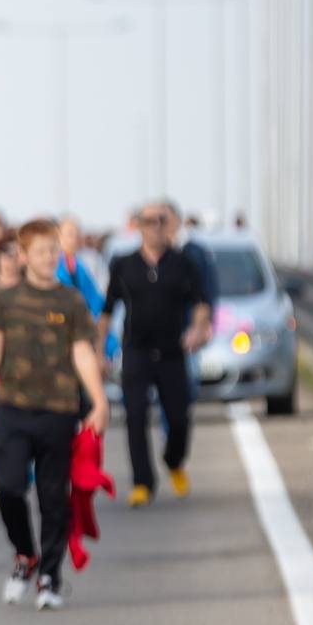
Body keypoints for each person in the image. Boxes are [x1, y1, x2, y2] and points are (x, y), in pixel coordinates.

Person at [0, 220, 107, 610]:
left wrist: (98, 400)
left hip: (59, 411)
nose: (49, 258)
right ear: (23, 255)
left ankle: (50, 577)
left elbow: (82, 353)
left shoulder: (70, 301)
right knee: (8, 487)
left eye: (53, 251)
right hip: (12, 409)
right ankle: (26, 554)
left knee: (53, 496)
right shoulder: (5, 303)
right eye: (41, 251)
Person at [102, 200, 212, 506]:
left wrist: (198, 328)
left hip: (172, 352)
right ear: (138, 226)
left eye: (161, 220)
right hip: (136, 351)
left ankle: (174, 460)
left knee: (178, 418)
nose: (156, 226)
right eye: (149, 221)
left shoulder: (183, 263)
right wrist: (99, 349)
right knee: (135, 415)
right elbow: (107, 310)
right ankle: (142, 482)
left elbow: (202, 302)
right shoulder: (123, 264)